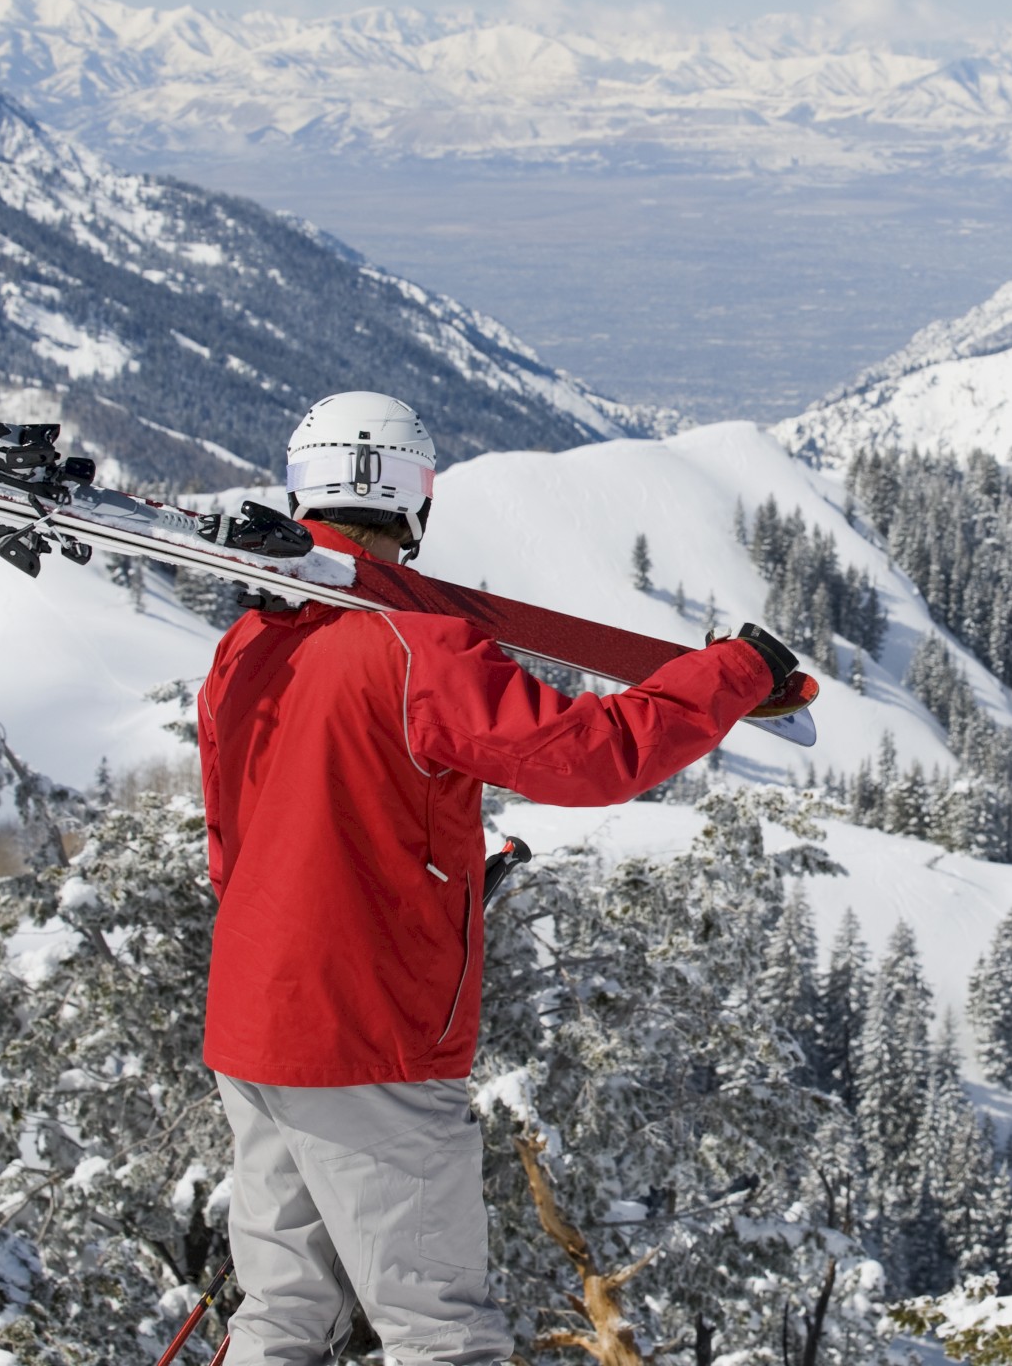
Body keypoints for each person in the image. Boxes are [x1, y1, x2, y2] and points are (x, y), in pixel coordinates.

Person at [197, 391, 796, 1364]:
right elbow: (589, 756)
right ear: (413, 501)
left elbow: (242, 840)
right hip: (370, 1038)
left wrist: (424, 889)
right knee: (440, 1331)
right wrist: (727, 675)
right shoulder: (416, 650)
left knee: (283, 1315)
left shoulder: (248, 647)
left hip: (255, 1026)